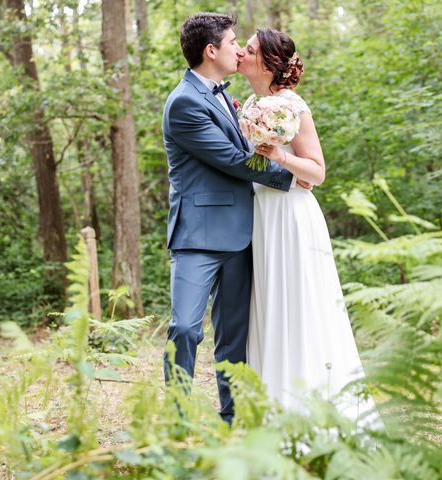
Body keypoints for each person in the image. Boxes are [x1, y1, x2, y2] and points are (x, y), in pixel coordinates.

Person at [237, 28, 382, 427]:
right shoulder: (249, 103)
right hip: (262, 215)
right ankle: (271, 411)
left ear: (266, 64)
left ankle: (312, 413)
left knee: (298, 303)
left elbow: (317, 172)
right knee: (268, 304)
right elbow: (248, 163)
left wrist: (280, 155)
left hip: (292, 216)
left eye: (247, 50)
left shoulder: (292, 106)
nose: (240, 53)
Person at [161, 13, 295, 424]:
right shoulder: (184, 102)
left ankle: (231, 418)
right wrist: (293, 173)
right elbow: (235, 161)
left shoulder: (228, 95)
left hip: (241, 233)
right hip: (198, 236)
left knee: (234, 336)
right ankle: (179, 419)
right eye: (234, 42)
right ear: (211, 51)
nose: (240, 49)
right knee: (185, 327)